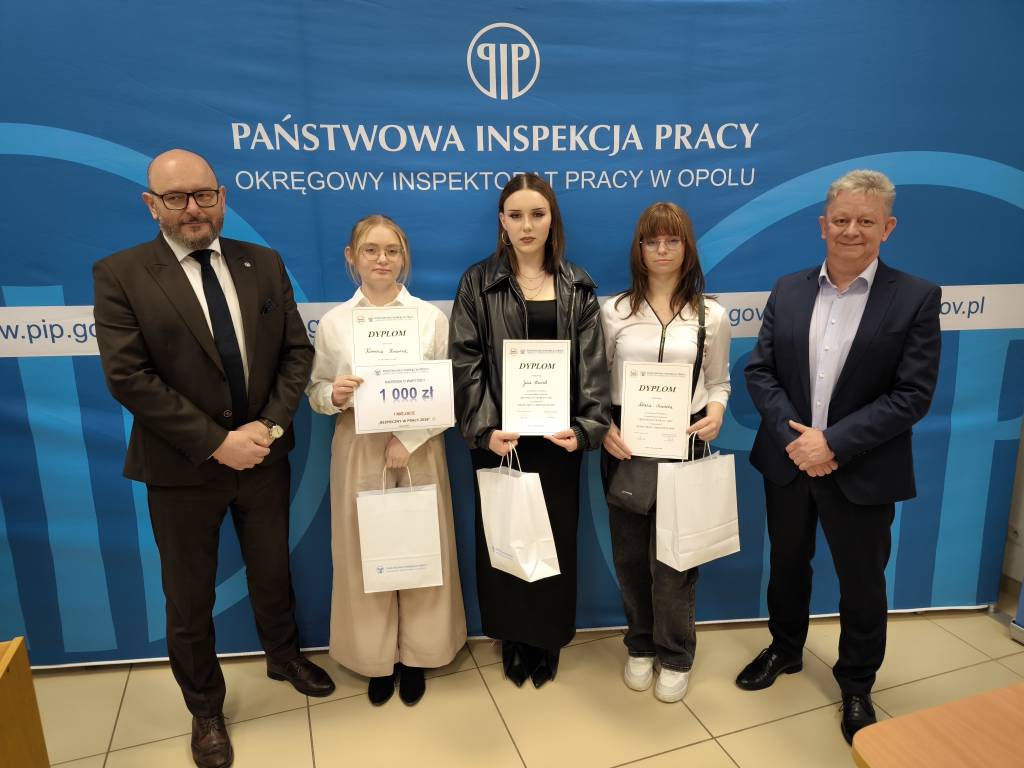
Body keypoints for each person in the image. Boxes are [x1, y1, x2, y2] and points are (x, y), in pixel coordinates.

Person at [92, 149, 334, 768]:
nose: (193, 208)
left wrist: (268, 427)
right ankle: (205, 708)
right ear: (152, 205)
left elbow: (296, 354)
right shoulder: (121, 274)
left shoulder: (263, 263)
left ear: (222, 197)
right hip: (181, 469)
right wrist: (217, 442)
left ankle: (283, 657)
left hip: (264, 457)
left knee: (272, 570)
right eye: (176, 198)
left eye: (203, 194)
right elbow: (128, 377)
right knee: (189, 597)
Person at [736, 170, 941, 744]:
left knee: (862, 582)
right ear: (823, 225)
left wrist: (833, 443)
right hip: (789, 463)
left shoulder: (917, 297)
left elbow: (913, 394)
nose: (853, 230)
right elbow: (761, 372)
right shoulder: (788, 289)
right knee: (787, 565)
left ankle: (856, 683)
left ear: (887, 227)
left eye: (866, 221)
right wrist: (799, 442)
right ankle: (785, 648)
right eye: (842, 219)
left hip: (864, 469)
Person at [449, 173, 611, 688]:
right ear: (502, 221)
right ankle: (513, 637)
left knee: (553, 542)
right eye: (516, 215)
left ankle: (547, 637)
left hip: (558, 442)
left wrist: (586, 428)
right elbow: (465, 362)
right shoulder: (477, 282)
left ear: (551, 219)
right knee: (504, 538)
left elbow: (593, 366)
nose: (526, 225)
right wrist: (483, 429)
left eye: (537, 214)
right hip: (501, 440)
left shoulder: (577, 285)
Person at [306, 214, 467, 706]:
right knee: (363, 552)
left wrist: (409, 437)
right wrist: (333, 394)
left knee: (422, 546)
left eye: (392, 250)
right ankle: (376, 658)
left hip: (419, 445)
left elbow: (447, 391)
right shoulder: (335, 323)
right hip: (357, 444)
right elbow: (316, 390)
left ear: (404, 257)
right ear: (351, 257)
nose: (382, 259)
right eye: (371, 250)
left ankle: (419, 654)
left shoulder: (429, 319)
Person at [600, 202, 731, 703]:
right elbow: (593, 383)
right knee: (631, 556)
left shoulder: (711, 316)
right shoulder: (613, 312)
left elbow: (718, 381)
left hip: (685, 446)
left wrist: (716, 412)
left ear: (686, 247)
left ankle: (675, 653)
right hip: (626, 446)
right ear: (638, 248)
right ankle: (639, 644)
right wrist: (604, 427)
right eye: (651, 241)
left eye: (671, 240)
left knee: (676, 560)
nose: (661, 250)